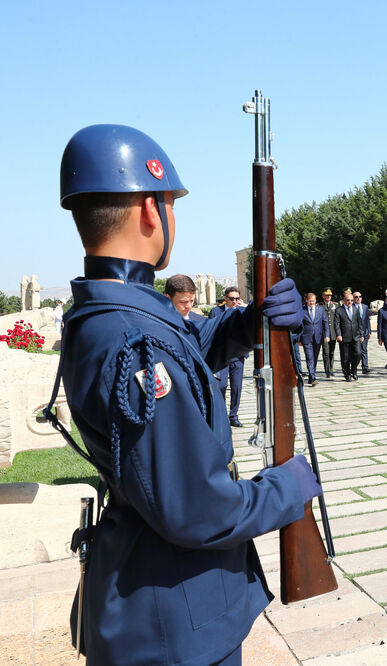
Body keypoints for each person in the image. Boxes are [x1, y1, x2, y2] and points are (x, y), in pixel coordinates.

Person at [56, 123, 320, 665]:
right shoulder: (132, 338)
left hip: (164, 600)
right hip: (172, 621)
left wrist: (253, 320)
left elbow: (188, 350)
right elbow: (195, 509)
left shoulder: (117, 310)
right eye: (171, 204)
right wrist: (284, 489)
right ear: (150, 211)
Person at [211, 286, 249, 428]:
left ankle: (233, 416)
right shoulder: (216, 312)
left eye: (237, 298)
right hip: (221, 355)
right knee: (221, 385)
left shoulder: (242, 311)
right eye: (232, 298)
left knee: (236, 387)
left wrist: (244, 308)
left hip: (237, 355)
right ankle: (221, 414)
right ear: (225, 298)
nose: (234, 301)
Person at [300, 292, 330, 387]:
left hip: (318, 337)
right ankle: (313, 377)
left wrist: (327, 335)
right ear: (306, 300)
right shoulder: (302, 310)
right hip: (306, 338)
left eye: (313, 301)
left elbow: (325, 323)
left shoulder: (320, 310)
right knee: (309, 357)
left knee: (315, 358)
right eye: (310, 301)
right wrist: (298, 339)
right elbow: (298, 325)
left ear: (316, 300)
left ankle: (311, 376)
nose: (312, 303)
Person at [333, 289, 363, 381]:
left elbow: (359, 322)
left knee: (358, 354)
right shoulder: (339, 310)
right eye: (348, 300)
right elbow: (336, 324)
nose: (350, 302)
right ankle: (347, 374)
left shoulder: (355, 309)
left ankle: (353, 370)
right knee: (345, 357)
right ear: (344, 300)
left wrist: (362, 334)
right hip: (344, 337)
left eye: (351, 300)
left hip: (356, 336)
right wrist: (338, 334)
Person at [353, 290, 372, 374]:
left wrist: (369, 331)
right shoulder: (351, 307)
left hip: (364, 332)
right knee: (356, 351)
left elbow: (367, 319)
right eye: (356, 297)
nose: (358, 298)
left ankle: (365, 367)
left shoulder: (365, 307)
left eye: (360, 296)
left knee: (364, 350)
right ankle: (354, 367)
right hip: (355, 333)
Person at [320, 288, 337, 378]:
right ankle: (327, 370)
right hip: (324, 333)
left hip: (333, 332)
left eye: (330, 295)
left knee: (331, 352)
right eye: (326, 295)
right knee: (326, 352)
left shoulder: (335, 305)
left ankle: (331, 368)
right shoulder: (320, 306)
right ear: (323, 296)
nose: (328, 297)